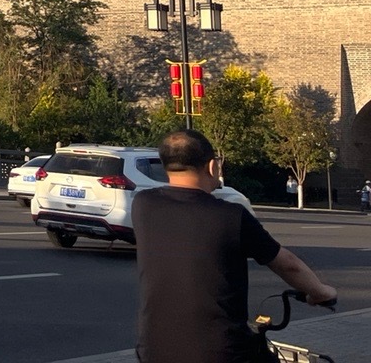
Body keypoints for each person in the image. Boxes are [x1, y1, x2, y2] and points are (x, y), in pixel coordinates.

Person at [134, 130, 336, 363]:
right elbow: (288, 264)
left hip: (154, 349)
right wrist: (321, 292)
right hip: (221, 351)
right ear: (212, 167)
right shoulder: (231, 216)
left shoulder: (143, 204)